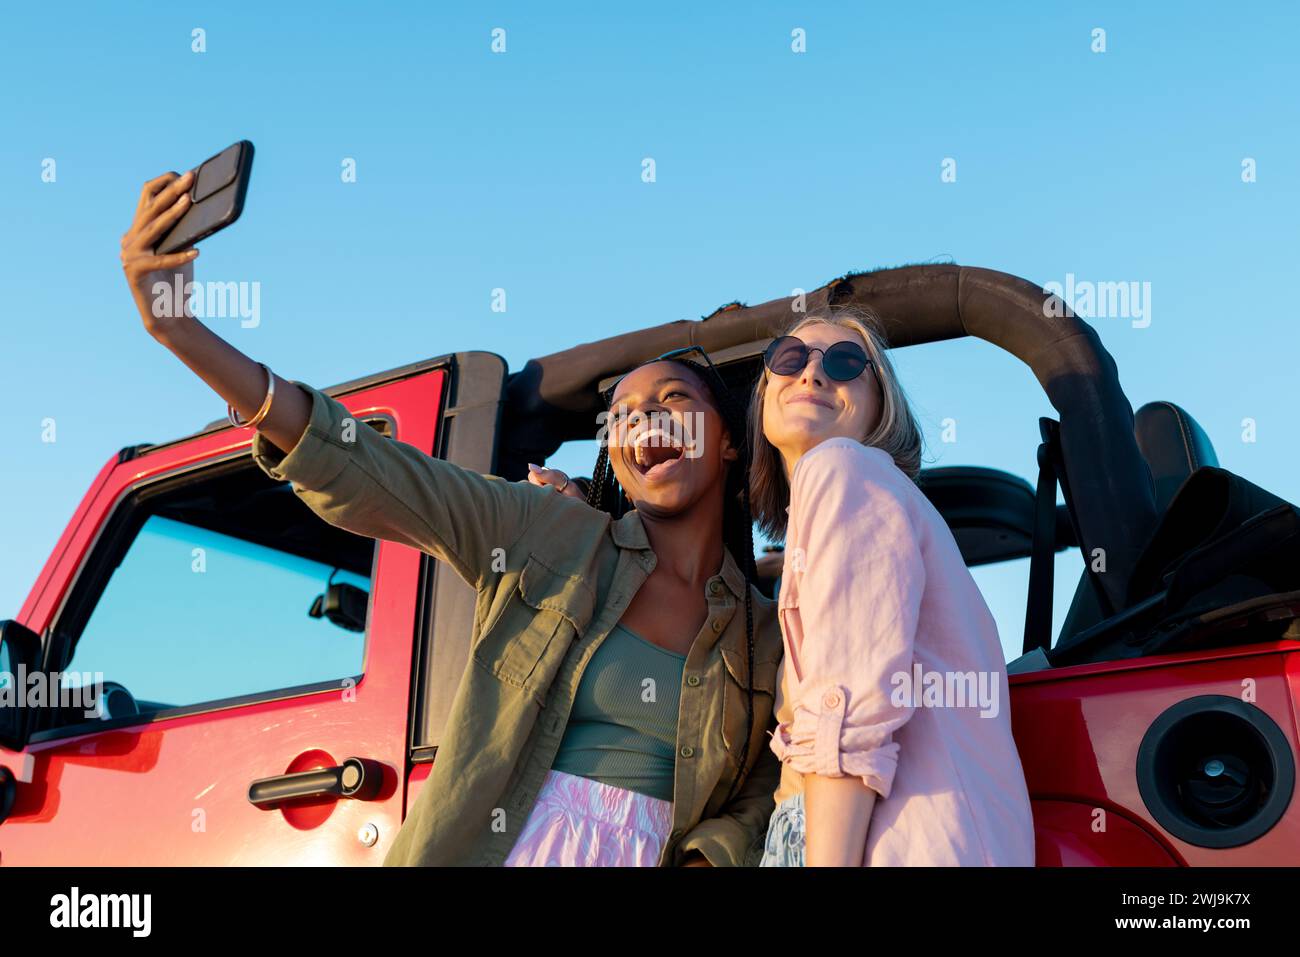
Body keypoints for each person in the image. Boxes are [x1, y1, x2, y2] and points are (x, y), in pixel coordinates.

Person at [120, 169, 782, 866]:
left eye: (672, 397)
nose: (643, 417)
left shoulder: (764, 631)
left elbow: (769, 789)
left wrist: (712, 855)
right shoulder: (548, 535)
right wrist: (182, 331)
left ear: (731, 438)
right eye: (621, 415)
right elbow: (379, 471)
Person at [749, 305, 1035, 866]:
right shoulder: (867, 507)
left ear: (883, 406)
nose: (812, 374)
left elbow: (845, 705)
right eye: (789, 358)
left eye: (845, 362)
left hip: (885, 840)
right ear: (763, 392)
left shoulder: (843, 467)